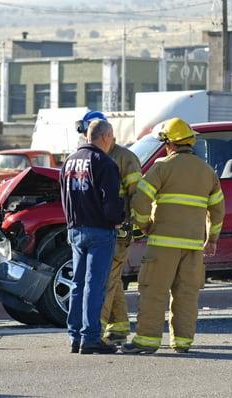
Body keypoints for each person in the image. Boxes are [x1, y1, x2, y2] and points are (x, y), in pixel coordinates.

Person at [121, 117, 225, 354]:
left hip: (163, 245)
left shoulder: (162, 167)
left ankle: (146, 341)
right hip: (193, 247)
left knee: (154, 290)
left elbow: (140, 199)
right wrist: (212, 239)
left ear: (170, 144)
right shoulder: (207, 172)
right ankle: (182, 342)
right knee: (186, 294)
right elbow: (218, 209)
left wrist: (145, 225)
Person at [76, 110, 142, 345]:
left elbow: (138, 196)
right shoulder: (90, 157)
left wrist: (133, 227)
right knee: (111, 279)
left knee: (104, 281)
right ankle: (119, 327)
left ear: (106, 135)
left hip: (118, 230)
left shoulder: (125, 158)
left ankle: (97, 333)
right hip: (99, 229)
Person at [60, 119, 125, 355]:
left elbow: (63, 196)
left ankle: (74, 336)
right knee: (94, 285)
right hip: (99, 231)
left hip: (75, 229)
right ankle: (90, 338)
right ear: (105, 137)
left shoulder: (69, 161)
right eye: (112, 138)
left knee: (78, 284)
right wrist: (120, 215)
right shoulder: (104, 163)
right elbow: (111, 204)